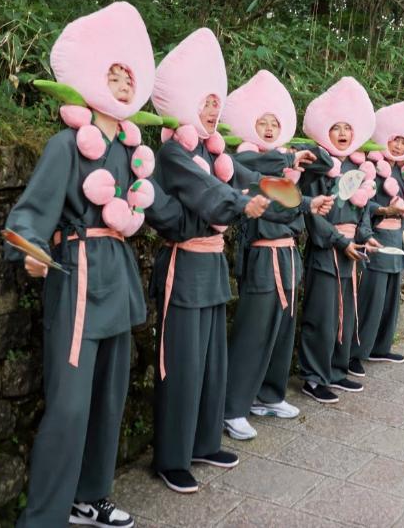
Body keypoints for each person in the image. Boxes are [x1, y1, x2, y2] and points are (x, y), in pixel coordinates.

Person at [7, 2, 165, 528]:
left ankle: (89, 496)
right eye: (112, 74)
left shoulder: (131, 149)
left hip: (117, 277)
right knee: (70, 406)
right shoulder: (65, 145)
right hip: (76, 277)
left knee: (109, 398)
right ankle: (44, 515)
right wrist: (30, 251)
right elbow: (30, 213)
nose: (123, 83)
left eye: (129, 76)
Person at [146, 30, 317, 494]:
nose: (211, 110)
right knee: (180, 364)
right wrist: (240, 205)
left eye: (215, 102)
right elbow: (212, 195)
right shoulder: (175, 152)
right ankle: (171, 457)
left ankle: (202, 442)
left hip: (213, 267)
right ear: (183, 103)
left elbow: (252, 182)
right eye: (203, 102)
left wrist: (299, 203)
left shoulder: (213, 151)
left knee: (210, 361)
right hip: (183, 267)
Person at [219, 70, 333, 441]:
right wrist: (287, 158)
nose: (269, 128)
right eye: (261, 122)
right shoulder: (243, 159)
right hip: (262, 257)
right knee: (253, 331)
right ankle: (232, 407)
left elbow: (326, 164)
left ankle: (268, 395)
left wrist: (299, 169)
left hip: (287, 257)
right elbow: (264, 192)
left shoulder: (284, 163)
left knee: (283, 329)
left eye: (275, 123)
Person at [297, 77, 380, 404]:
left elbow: (360, 211)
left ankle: (335, 368)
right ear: (325, 131)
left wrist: (366, 237)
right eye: (336, 127)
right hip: (326, 249)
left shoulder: (356, 166)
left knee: (346, 311)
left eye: (348, 127)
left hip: (351, 249)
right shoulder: (317, 167)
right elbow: (312, 214)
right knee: (322, 314)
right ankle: (312, 376)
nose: (343, 133)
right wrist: (336, 240)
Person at [350, 97, 404, 377]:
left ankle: (380, 346)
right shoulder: (372, 166)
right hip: (377, 235)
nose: (397, 147)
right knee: (371, 298)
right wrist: (385, 209)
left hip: (397, 237)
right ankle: (356, 353)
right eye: (395, 140)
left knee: (390, 297)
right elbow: (362, 204)